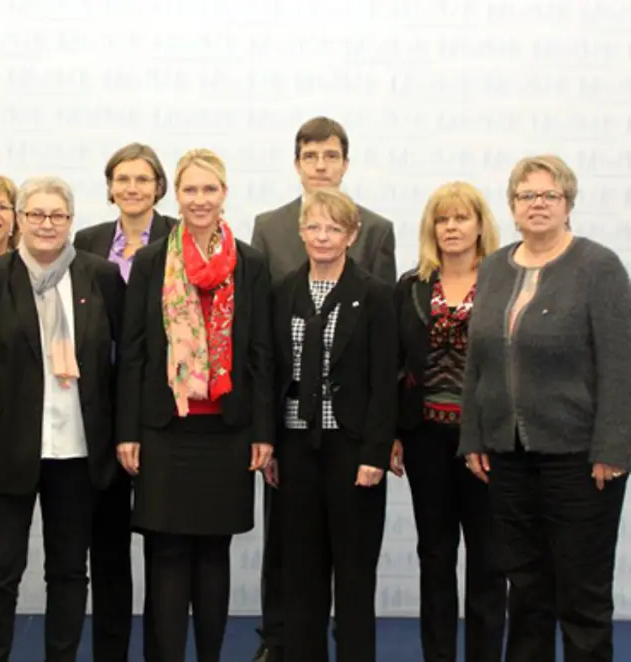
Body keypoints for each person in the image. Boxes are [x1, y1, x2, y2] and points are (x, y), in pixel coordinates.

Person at [459, 154, 631, 662]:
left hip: (580, 460)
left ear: (568, 204)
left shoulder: (598, 267)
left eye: (549, 195)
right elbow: (478, 361)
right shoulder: (493, 267)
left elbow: (620, 365)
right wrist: (474, 435)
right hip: (507, 459)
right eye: (526, 196)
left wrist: (614, 446)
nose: (537, 205)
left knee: (582, 597)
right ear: (511, 207)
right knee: (527, 594)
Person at [0, 175, 125, 662]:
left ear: (71, 222)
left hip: (77, 452)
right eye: (36, 214)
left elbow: (117, 367)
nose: (47, 224)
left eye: (58, 216)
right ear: (20, 219)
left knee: (70, 573)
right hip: (7, 449)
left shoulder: (100, 276)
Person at [116, 148, 274, 662]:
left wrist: (263, 432)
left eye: (210, 189)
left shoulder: (251, 262)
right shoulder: (151, 260)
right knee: (165, 555)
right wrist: (128, 431)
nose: (200, 199)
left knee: (213, 556)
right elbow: (134, 352)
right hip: (164, 430)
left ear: (224, 194)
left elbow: (261, 355)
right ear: (175, 196)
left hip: (227, 433)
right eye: (190, 190)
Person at [249, 116, 396, 662]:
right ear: (301, 233)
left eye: (334, 229)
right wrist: (266, 442)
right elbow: (267, 371)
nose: (323, 237)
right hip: (293, 450)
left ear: (351, 235)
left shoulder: (376, 295)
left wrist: (375, 451)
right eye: (314, 229)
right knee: (300, 573)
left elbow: (385, 378)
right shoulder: (283, 291)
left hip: (352, 450)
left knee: (353, 574)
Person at [391, 182, 506, 662]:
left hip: (487, 442)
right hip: (425, 440)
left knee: (488, 559)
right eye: (443, 219)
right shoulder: (411, 285)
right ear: (431, 228)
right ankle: (437, 654)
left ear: (480, 224)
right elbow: (395, 365)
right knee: (434, 555)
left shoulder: (505, 280)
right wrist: (394, 433)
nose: (452, 227)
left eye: (462, 218)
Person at [73, 142, 177, 662]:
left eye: (142, 179)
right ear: (110, 186)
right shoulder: (87, 241)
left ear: (158, 186)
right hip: (102, 409)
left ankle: (162, 650)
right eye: (122, 179)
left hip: (163, 412)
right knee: (107, 544)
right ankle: (110, 652)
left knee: (165, 544)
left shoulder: (181, 238)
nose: (132, 188)